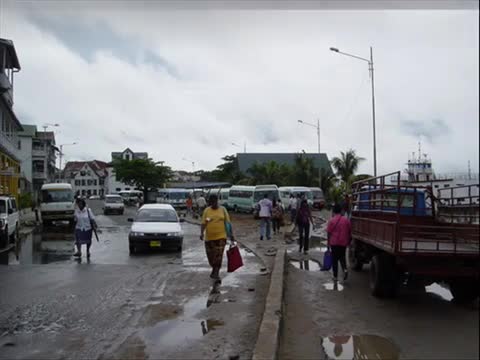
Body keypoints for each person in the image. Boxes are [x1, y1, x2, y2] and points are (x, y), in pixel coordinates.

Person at [200, 194, 234, 282]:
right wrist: (201, 233)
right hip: (209, 238)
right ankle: (214, 270)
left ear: (217, 201)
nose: (213, 204)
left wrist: (231, 234)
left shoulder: (223, 210)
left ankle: (216, 273)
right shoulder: (207, 211)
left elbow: (228, 223)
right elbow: (204, 222)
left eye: (214, 202)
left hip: (221, 237)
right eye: (211, 203)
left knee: (218, 256)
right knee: (211, 257)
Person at [327, 203, 352, 282]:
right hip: (343, 243)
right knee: (342, 258)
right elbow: (350, 231)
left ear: (334, 211)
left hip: (334, 243)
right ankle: (345, 270)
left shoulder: (331, 220)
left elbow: (329, 233)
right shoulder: (346, 220)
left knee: (334, 260)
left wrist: (328, 243)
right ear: (341, 211)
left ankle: (335, 276)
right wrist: (348, 241)